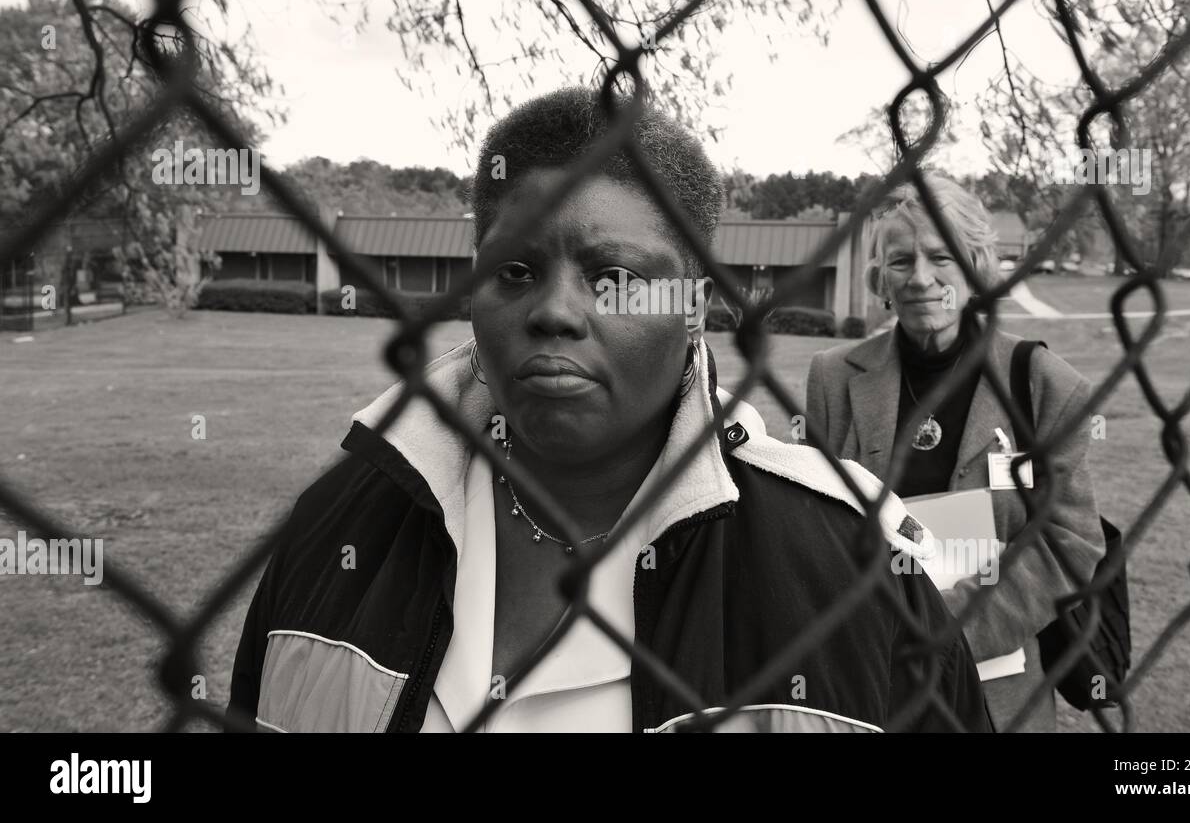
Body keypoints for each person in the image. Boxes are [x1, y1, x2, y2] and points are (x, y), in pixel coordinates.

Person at [228, 89, 991, 733]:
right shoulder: (332, 527)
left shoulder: (855, 567)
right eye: (515, 270)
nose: (555, 311)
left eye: (614, 276)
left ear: (694, 307)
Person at [805, 176, 1105, 732]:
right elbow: (812, 523)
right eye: (900, 262)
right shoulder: (832, 379)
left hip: (998, 692)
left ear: (975, 266)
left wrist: (946, 624)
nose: (921, 278)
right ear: (881, 281)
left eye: (941, 256)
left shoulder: (1043, 384)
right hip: (870, 678)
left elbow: (1071, 540)